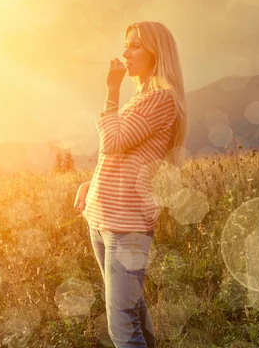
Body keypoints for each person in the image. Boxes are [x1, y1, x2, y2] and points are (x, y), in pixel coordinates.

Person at [73, 21, 188, 347]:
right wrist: (90, 184)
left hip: (125, 227)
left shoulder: (161, 99)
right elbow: (122, 159)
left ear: (157, 52)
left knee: (122, 327)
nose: (125, 52)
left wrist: (111, 90)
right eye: (126, 44)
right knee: (132, 311)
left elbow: (112, 141)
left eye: (135, 45)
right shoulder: (143, 98)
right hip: (102, 219)